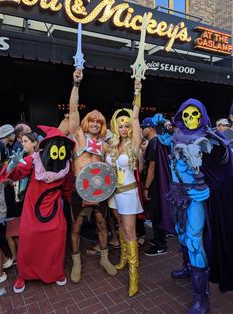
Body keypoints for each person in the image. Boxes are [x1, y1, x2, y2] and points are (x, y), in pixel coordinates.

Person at [152, 99, 233, 313]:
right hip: (176, 195)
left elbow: (224, 170)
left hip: (195, 197)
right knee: (181, 234)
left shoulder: (209, 139)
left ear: (202, 116)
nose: (189, 119)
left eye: (194, 115)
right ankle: (188, 267)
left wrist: (208, 188)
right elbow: (163, 138)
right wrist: (160, 124)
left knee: (194, 239)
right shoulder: (176, 136)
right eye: (185, 115)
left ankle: (201, 298)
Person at [0, 125, 74, 293]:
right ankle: (23, 275)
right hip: (32, 212)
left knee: (57, 238)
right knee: (28, 240)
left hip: (54, 211)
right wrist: (12, 164)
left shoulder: (66, 167)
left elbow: (68, 189)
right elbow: (12, 174)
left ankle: (56, 272)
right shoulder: (34, 160)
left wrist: (74, 207)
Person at [69, 69, 117, 284]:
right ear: (88, 121)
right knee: (76, 227)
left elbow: (114, 166)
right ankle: (77, 262)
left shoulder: (105, 145)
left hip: (99, 190)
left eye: (99, 121)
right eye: (93, 120)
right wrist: (76, 85)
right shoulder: (78, 137)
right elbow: (72, 110)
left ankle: (105, 259)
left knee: (103, 225)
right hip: (79, 191)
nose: (96, 124)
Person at [106, 79, 143, 297]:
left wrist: (137, 93)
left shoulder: (134, 143)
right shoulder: (112, 144)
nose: (123, 127)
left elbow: (136, 116)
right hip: (114, 194)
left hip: (128, 192)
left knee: (130, 231)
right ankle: (122, 259)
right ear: (114, 125)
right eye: (120, 124)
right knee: (119, 225)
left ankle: (134, 275)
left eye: (126, 124)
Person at [5, 132, 39, 265]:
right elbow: (8, 174)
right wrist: (13, 164)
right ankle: (28, 259)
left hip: (37, 199)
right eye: (22, 141)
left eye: (25, 141)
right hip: (24, 200)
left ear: (34, 143)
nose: (23, 144)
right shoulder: (23, 156)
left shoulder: (40, 157)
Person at [140, 117, 167, 256]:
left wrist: (146, 187)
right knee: (157, 212)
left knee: (156, 213)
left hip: (155, 185)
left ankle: (161, 245)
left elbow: (152, 167)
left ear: (149, 128)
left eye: (143, 127)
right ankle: (158, 239)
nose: (141, 130)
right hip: (160, 183)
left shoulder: (154, 143)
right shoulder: (158, 141)